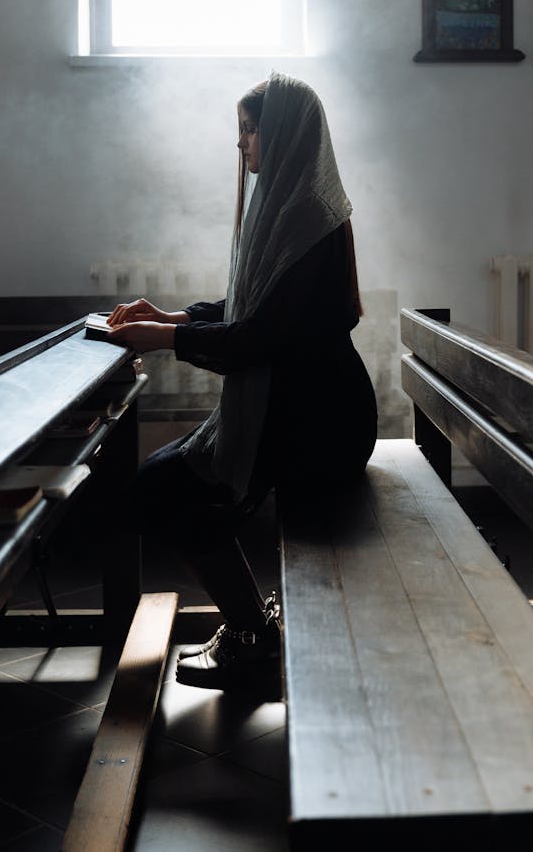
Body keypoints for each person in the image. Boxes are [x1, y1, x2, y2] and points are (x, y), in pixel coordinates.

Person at [106, 72, 378, 691]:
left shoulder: (308, 217)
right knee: (165, 487)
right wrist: (175, 318)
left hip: (318, 424)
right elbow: (253, 310)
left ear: (283, 134)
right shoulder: (294, 207)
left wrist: (164, 339)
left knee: (162, 490)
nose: (242, 146)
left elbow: (257, 340)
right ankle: (253, 627)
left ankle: (253, 639)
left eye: (251, 131)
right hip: (301, 407)